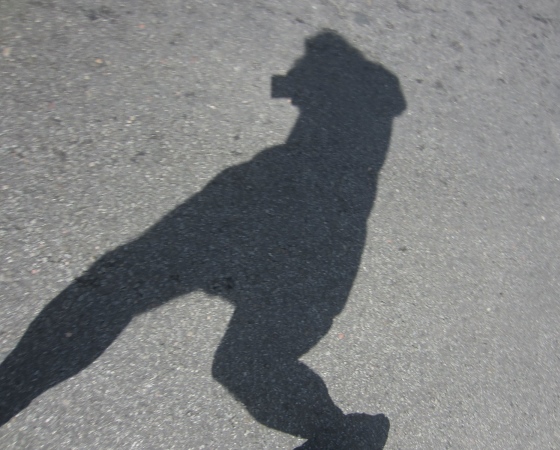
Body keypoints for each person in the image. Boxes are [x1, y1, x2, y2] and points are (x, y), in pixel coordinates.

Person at [0, 30, 405, 449]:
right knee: (226, 349)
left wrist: (304, 83)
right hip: (306, 215)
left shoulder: (363, 97)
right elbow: (318, 91)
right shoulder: (366, 102)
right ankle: (339, 437)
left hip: (292, 209)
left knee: (149, 301)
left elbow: (320, 91)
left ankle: (340, 437)